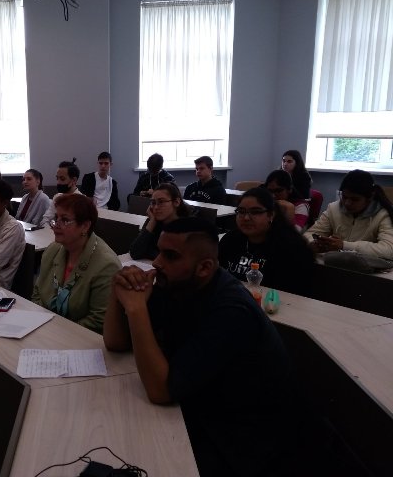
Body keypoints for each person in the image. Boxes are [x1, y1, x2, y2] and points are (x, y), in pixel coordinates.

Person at [103, 217, 297, 477]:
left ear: (205, 267)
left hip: (241, 440)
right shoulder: (176, 282)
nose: (157, 262)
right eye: (159, 251)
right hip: (197, 408)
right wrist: (117, 293)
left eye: (170, 255)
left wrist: (136, 309)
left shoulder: (232, 312)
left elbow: (161, 391)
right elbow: (116, 343)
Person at [32, 194, 121, 333]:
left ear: (85, 226)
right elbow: (37, 292)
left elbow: (99, 319)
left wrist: (59, 331)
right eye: (56, 218)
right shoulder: (53, 250)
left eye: (65, 220)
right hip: (44, 329)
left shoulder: (106, 265)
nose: (56, 225)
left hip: (79, 337)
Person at [219, 187, 314, 296]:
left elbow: (294, 293)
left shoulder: (292, 248)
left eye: (255, 212)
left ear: (271, 215)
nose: (246, 218)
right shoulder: (230, 240)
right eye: (241, 211)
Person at [305, 170, 393, 259]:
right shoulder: (333, 208)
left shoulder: (383, 214)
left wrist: (344, 245)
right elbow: (308, 235)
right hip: (335, 262)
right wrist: (314, 244)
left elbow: (389, 250)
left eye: (355, 199)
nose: (347, 203)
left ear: (370, 197)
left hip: (366, 266)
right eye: (344, 197)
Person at [130, 183, 192, 260]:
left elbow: (175, 259)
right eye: (153, 203)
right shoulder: (154, 220)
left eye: (161, 202)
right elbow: (134, 253)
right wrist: (152, 221)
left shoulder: (187, 226)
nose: (156, 207)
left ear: (176, 202)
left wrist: (148, 251)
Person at [40, 159, 83, 227]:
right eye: (57, 178)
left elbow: (77, 227)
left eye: (62, 179)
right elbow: (45, 220)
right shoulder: (57, 197)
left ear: (74, 180)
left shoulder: (82, 201)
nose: (58, 182)